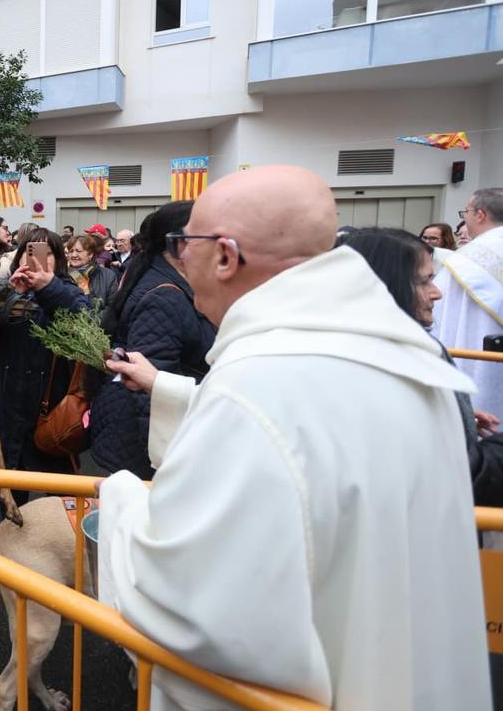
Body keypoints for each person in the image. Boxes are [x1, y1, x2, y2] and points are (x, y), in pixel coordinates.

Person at [101, 166, 489, 709]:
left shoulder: (253, 386)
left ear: (226, 256)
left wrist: (120, 504)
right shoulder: (408, 359)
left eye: (184, 243)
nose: (180, 259)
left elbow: (196, 618)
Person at [342, 227, 503, 504]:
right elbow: (456, 475)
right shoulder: (389, 362)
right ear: (386, 286)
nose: (438, 293)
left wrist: (454, 413)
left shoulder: (373, 345)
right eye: (424, 281)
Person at [90, 202, 215, 479]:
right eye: (208, 237)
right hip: (144, 450)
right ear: (178, 245)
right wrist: (167, 464)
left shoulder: (163, 278)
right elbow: (148, 389)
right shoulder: (165, 297)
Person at [0, 226, 89, 507]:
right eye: (29, 252)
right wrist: (9, 295)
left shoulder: (69, 290)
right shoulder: (6, 290)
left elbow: (84, 321)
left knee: (61, 497)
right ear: (19, 258)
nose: (37, 259)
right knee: (10, 499)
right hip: (9, 409)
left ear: (58, 259)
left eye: (46, 253)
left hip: (52, 410)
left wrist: (47, 287)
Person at [432, 188, 503, 419]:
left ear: (480, 214)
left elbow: (440, 309)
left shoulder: (467, 259)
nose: (465, 217)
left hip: (474, 353)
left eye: (467, 212)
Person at [66, 234, 118, 307]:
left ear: (90, 254)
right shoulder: (62, 275)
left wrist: (91, 317)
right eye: (71, 251)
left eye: (78, 251)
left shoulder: (108, 276)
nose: (74, 255)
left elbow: (113, 308)